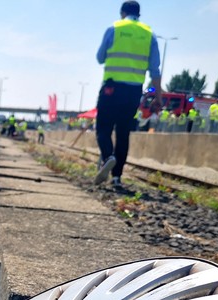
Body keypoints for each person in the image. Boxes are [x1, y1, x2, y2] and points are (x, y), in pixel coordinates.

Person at [94, 1, 161, 188]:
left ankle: (108, 156)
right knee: (123, 133)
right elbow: (155, 69)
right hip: (133, 92)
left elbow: (100, 58)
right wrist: (158, 96)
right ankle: (117, 178)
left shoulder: (114, 28)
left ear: (122, 12)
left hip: (111, 88)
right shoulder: (149, 34)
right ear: (139, 14)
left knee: (103, 129)